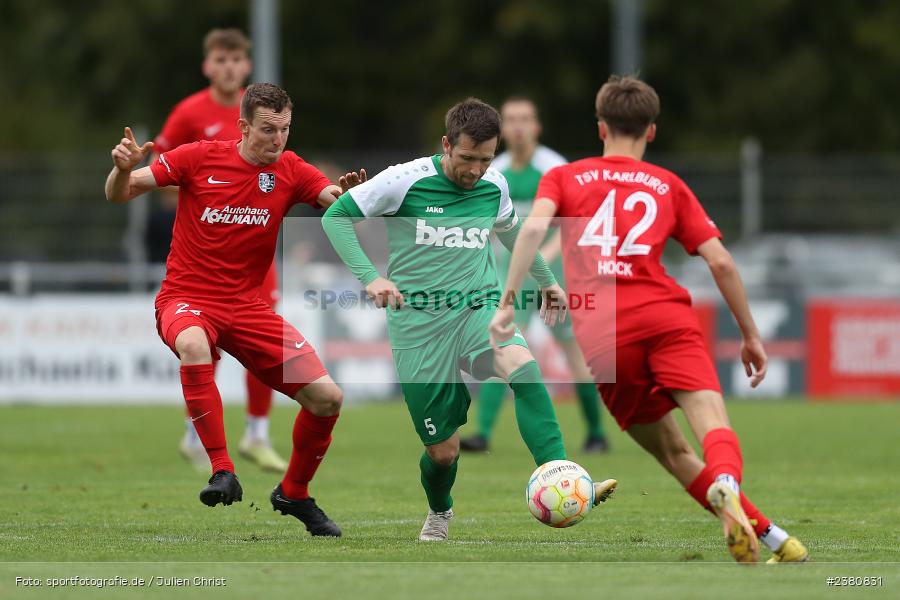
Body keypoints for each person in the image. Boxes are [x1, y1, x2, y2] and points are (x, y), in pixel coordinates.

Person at [489, 76, 809, 564]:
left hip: (603, 335)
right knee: (711, 426)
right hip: (665, 317)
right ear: (651, 132)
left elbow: (532, 228)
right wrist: (750, 334)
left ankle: (774, 539)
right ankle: (728, 484)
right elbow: (721, 262)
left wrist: (509, 299)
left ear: (600, 127)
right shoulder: (669, 185)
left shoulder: (566, 177)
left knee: (676, 455)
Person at [321, 98, 617, 542]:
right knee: (443, 453)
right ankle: (440, 511)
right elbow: (336, 216)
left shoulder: (493, 185)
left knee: (524, 368)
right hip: (417, 325)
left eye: (484, 159)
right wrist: (371, 278)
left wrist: (548, 280)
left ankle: (566, 478)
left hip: (477, 307)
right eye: (466, 158)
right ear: (446, 145)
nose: (476, 170)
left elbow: (514, 233)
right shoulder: (404, 181)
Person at [106, 83, 358, 537]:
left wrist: (352, 201)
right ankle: (222, 469)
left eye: (284, 129)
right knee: (193, 344)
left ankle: (294, 493)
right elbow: (120, 194)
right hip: (187, 298)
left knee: (328, 398)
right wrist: (122, 170)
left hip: (248, 307)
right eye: (267, 129)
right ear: (243, 126)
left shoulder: (291, 168)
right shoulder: (197, 157)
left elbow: (333, 203)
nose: (277, 139)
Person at [152, 28, 287, 473]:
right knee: (200, 341)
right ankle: (198, 432)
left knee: (264, 337)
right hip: (207, 257)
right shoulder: (189, 112)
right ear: (208, 65)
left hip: (254, 255)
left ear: (246, 66)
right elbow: (164, 171)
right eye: (221, 60)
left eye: (236, 60)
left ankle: (257, 433)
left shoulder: (265, 113)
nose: (229, 68)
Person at [460, 97, 609, 455]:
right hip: (509, 271)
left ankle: (595, 432)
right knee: (503, 338)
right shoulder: (496, 169)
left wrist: (541, 262)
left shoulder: (553, 167)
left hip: (554, 271)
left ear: (537, 126)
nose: (517, 126)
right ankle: (482, 433)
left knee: (571, 347)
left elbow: (576, 223)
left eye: (524, 119)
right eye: (510, 119)